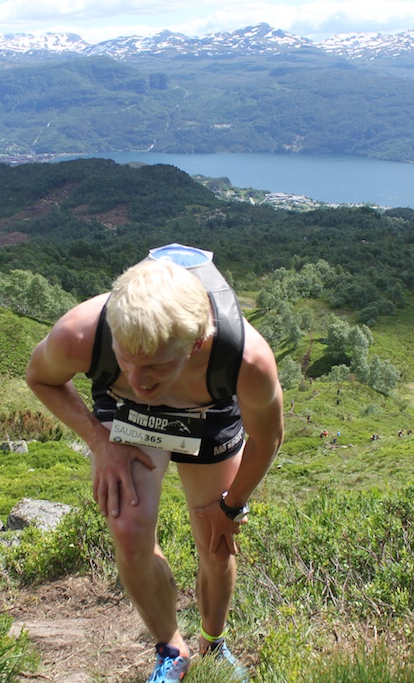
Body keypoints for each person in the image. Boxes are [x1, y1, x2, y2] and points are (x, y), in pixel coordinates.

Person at [25, 244, 284, 683]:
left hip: (208, 410)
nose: (139, 378)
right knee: (128, 531)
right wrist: (101, 443)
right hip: (126, 413)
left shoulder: (245, 360)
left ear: (197, 342)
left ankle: (214, 642)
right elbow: (40, 377)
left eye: (156, 366)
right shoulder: (81, 333)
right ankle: (172, 650)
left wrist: (232, 505)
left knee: (216, 544)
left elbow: (268, 438)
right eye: (126, 359)